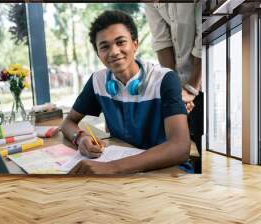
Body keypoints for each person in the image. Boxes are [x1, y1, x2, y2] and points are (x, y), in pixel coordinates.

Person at [60, 10, 190, 175]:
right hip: (123, 166)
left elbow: (180, 147)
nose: (114, 52)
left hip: (164, 169)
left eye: (120, 42)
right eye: (105, 47)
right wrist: (81, 138)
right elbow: (68, 122)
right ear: (99, 54)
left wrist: (111, 168)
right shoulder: (97, 80)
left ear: (135, 44)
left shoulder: (165, 78)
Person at [145, 3, 203, 172]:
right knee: (185, 141)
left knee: (201, 141)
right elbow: (162, 43)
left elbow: (203, 41)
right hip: (181, 85)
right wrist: (176, 90)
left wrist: (192, 88)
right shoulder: (150, 4)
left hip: (203, 77)